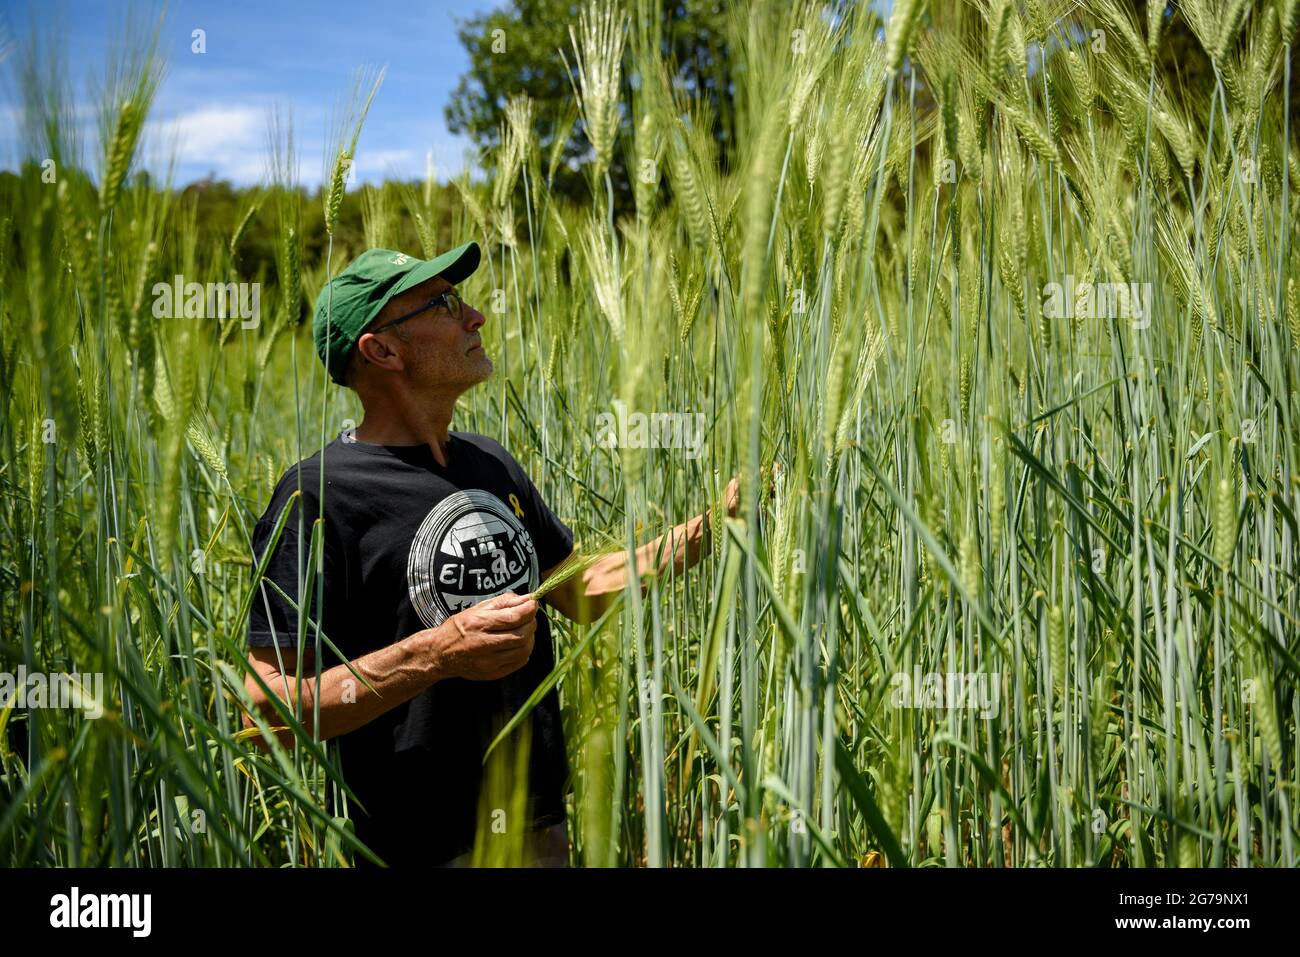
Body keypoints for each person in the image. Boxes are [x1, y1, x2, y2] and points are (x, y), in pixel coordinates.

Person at [241, 241, 738, 867]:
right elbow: (269, 709)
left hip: (536, 827)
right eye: (444, 303)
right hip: (418, 845)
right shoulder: (318, 495)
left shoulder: (488, 459)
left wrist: (713, 527)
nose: (475, 317)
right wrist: (437, 653)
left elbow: (580, 589)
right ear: (382, 350)